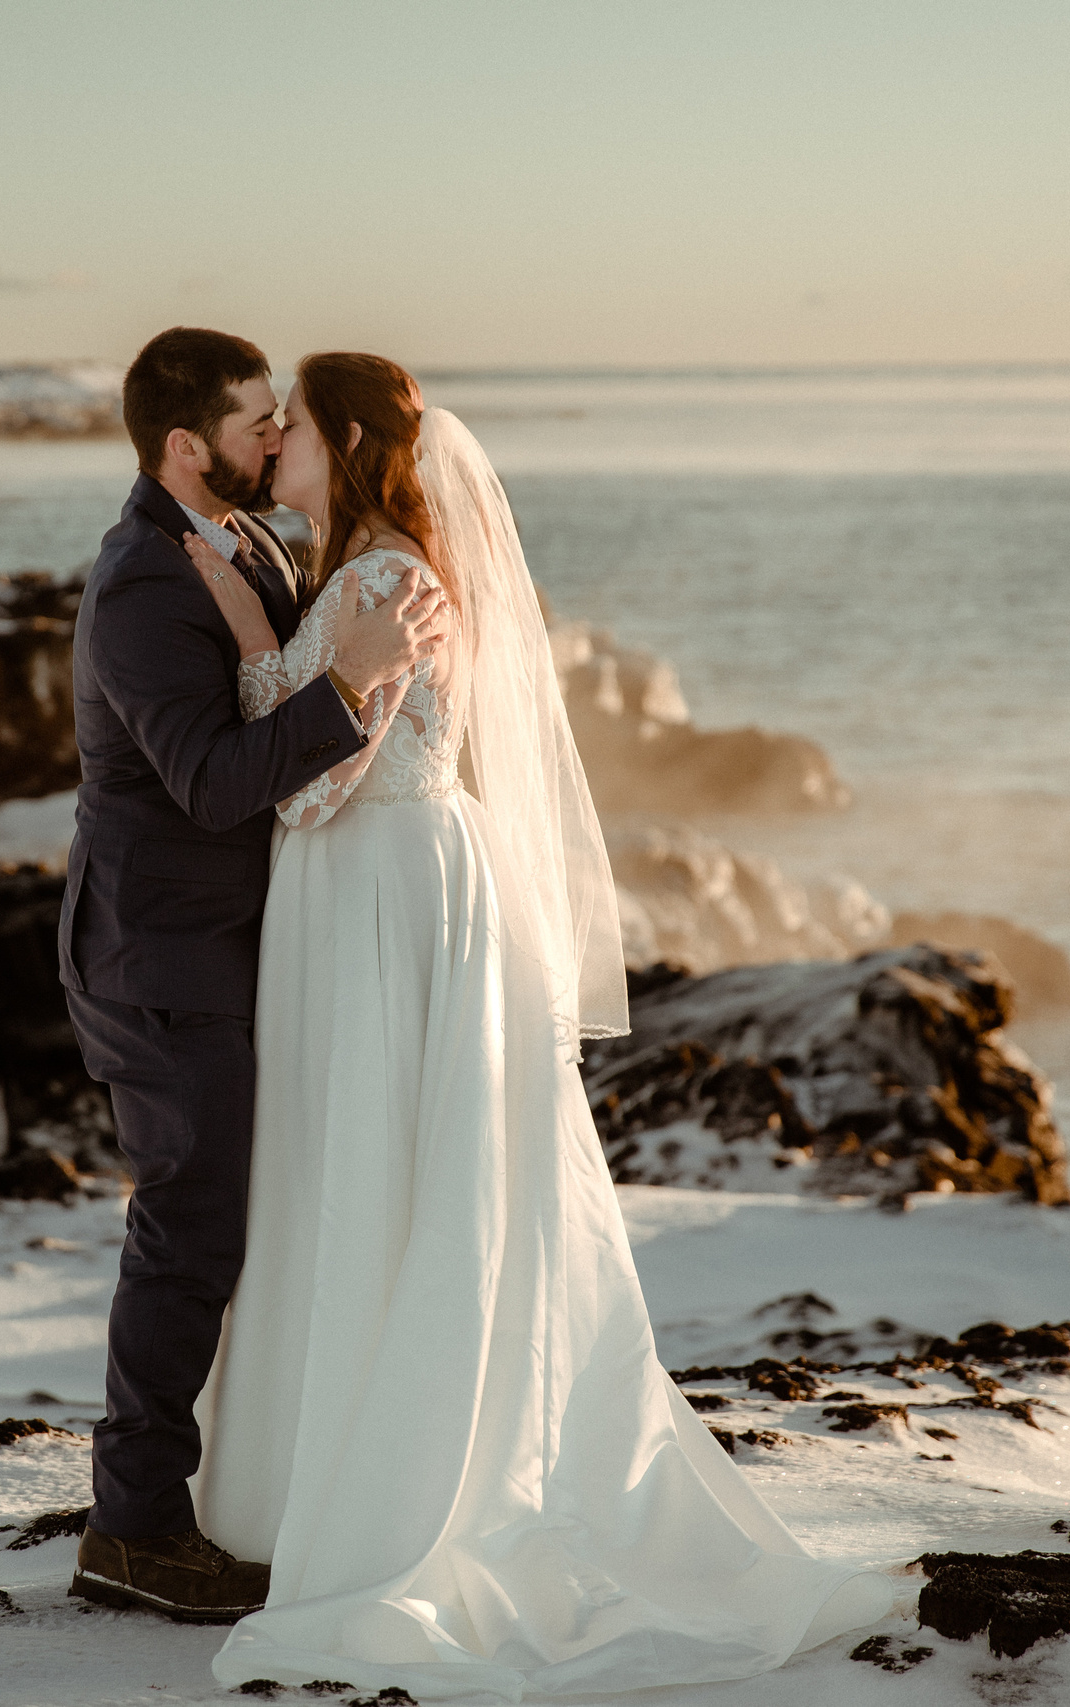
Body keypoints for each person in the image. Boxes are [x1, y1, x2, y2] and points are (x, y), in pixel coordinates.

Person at [174, 351, 898, 1697]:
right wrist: (253, 613)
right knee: (381, 1168)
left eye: (296, 432)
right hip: (386, 889)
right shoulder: (370, 563)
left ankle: (384, 1497)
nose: (273, 448)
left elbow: (311, 793)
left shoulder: (387, 577)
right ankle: (325, 1480)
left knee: (377, 1168)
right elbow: (320, 733)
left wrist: (250, 643)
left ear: (343, 440)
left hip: (380, 889)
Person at [59, 327, 453, 1623]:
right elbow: (217, 782)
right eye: (253, 422)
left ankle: (236, 1492)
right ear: (189, 446)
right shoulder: (139, 584)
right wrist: (353, 685)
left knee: (241, 1226)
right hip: (160, 954)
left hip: (256, 949)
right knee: (189, 1236)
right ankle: (133, 1532)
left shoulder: (259, 545)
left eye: (286, 421)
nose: (274, 437)